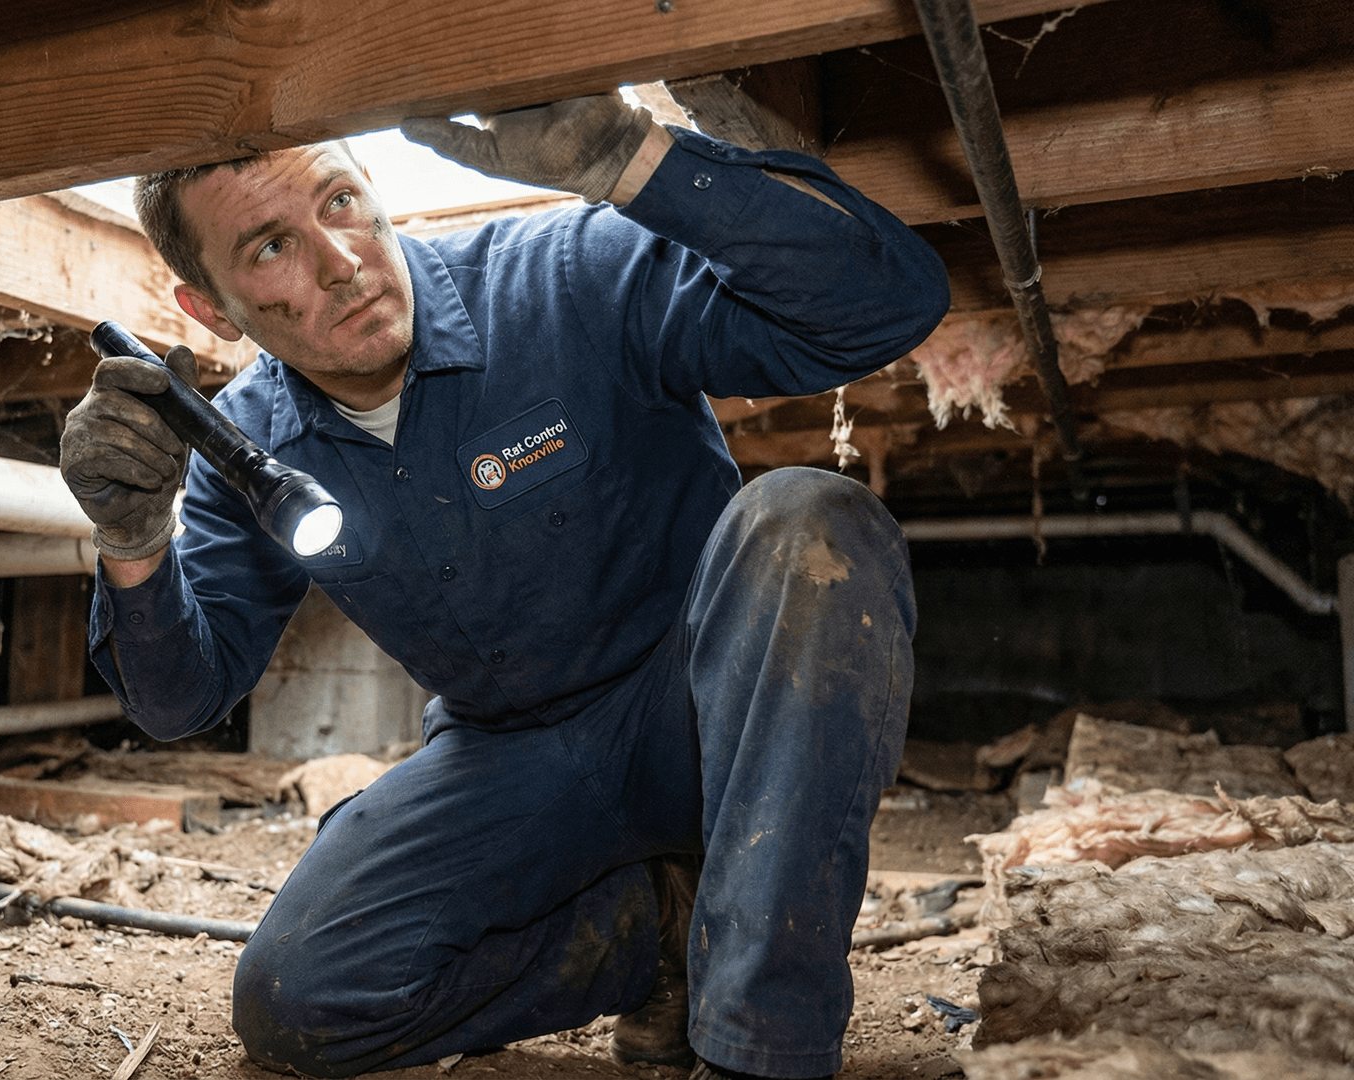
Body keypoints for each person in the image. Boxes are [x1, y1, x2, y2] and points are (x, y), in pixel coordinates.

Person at [59, 93, 949, 1080]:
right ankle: (661, 930)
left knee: (807, 522)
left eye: (342, 200)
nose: (343, 261)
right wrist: (133, 535)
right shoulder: (246, 450)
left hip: (704, 713)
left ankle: (760, 1048)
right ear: (208, 309)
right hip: (512, 756)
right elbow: (184, 697)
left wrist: (637, 161)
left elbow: (891, 305)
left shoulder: (566, 274)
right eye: (270, 248)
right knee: (298, 998)